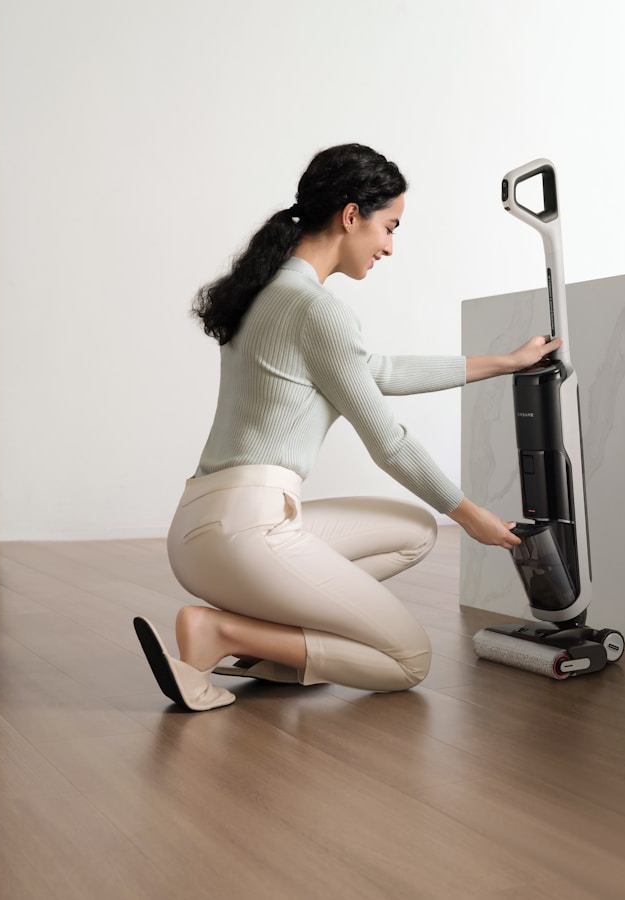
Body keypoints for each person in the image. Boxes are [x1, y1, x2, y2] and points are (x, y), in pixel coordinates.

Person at [133, 143, 561, 710]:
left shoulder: (267, 295)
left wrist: (503, 363)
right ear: (351, 215)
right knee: (409, 661)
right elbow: (389, 444)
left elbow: (373, 370)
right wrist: (470, 514)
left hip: (203, 527)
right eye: (389, 226)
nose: (389, 245)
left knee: (414, 531)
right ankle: (223, 633)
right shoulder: (315, 308)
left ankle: (262, 642)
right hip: (246, 533)